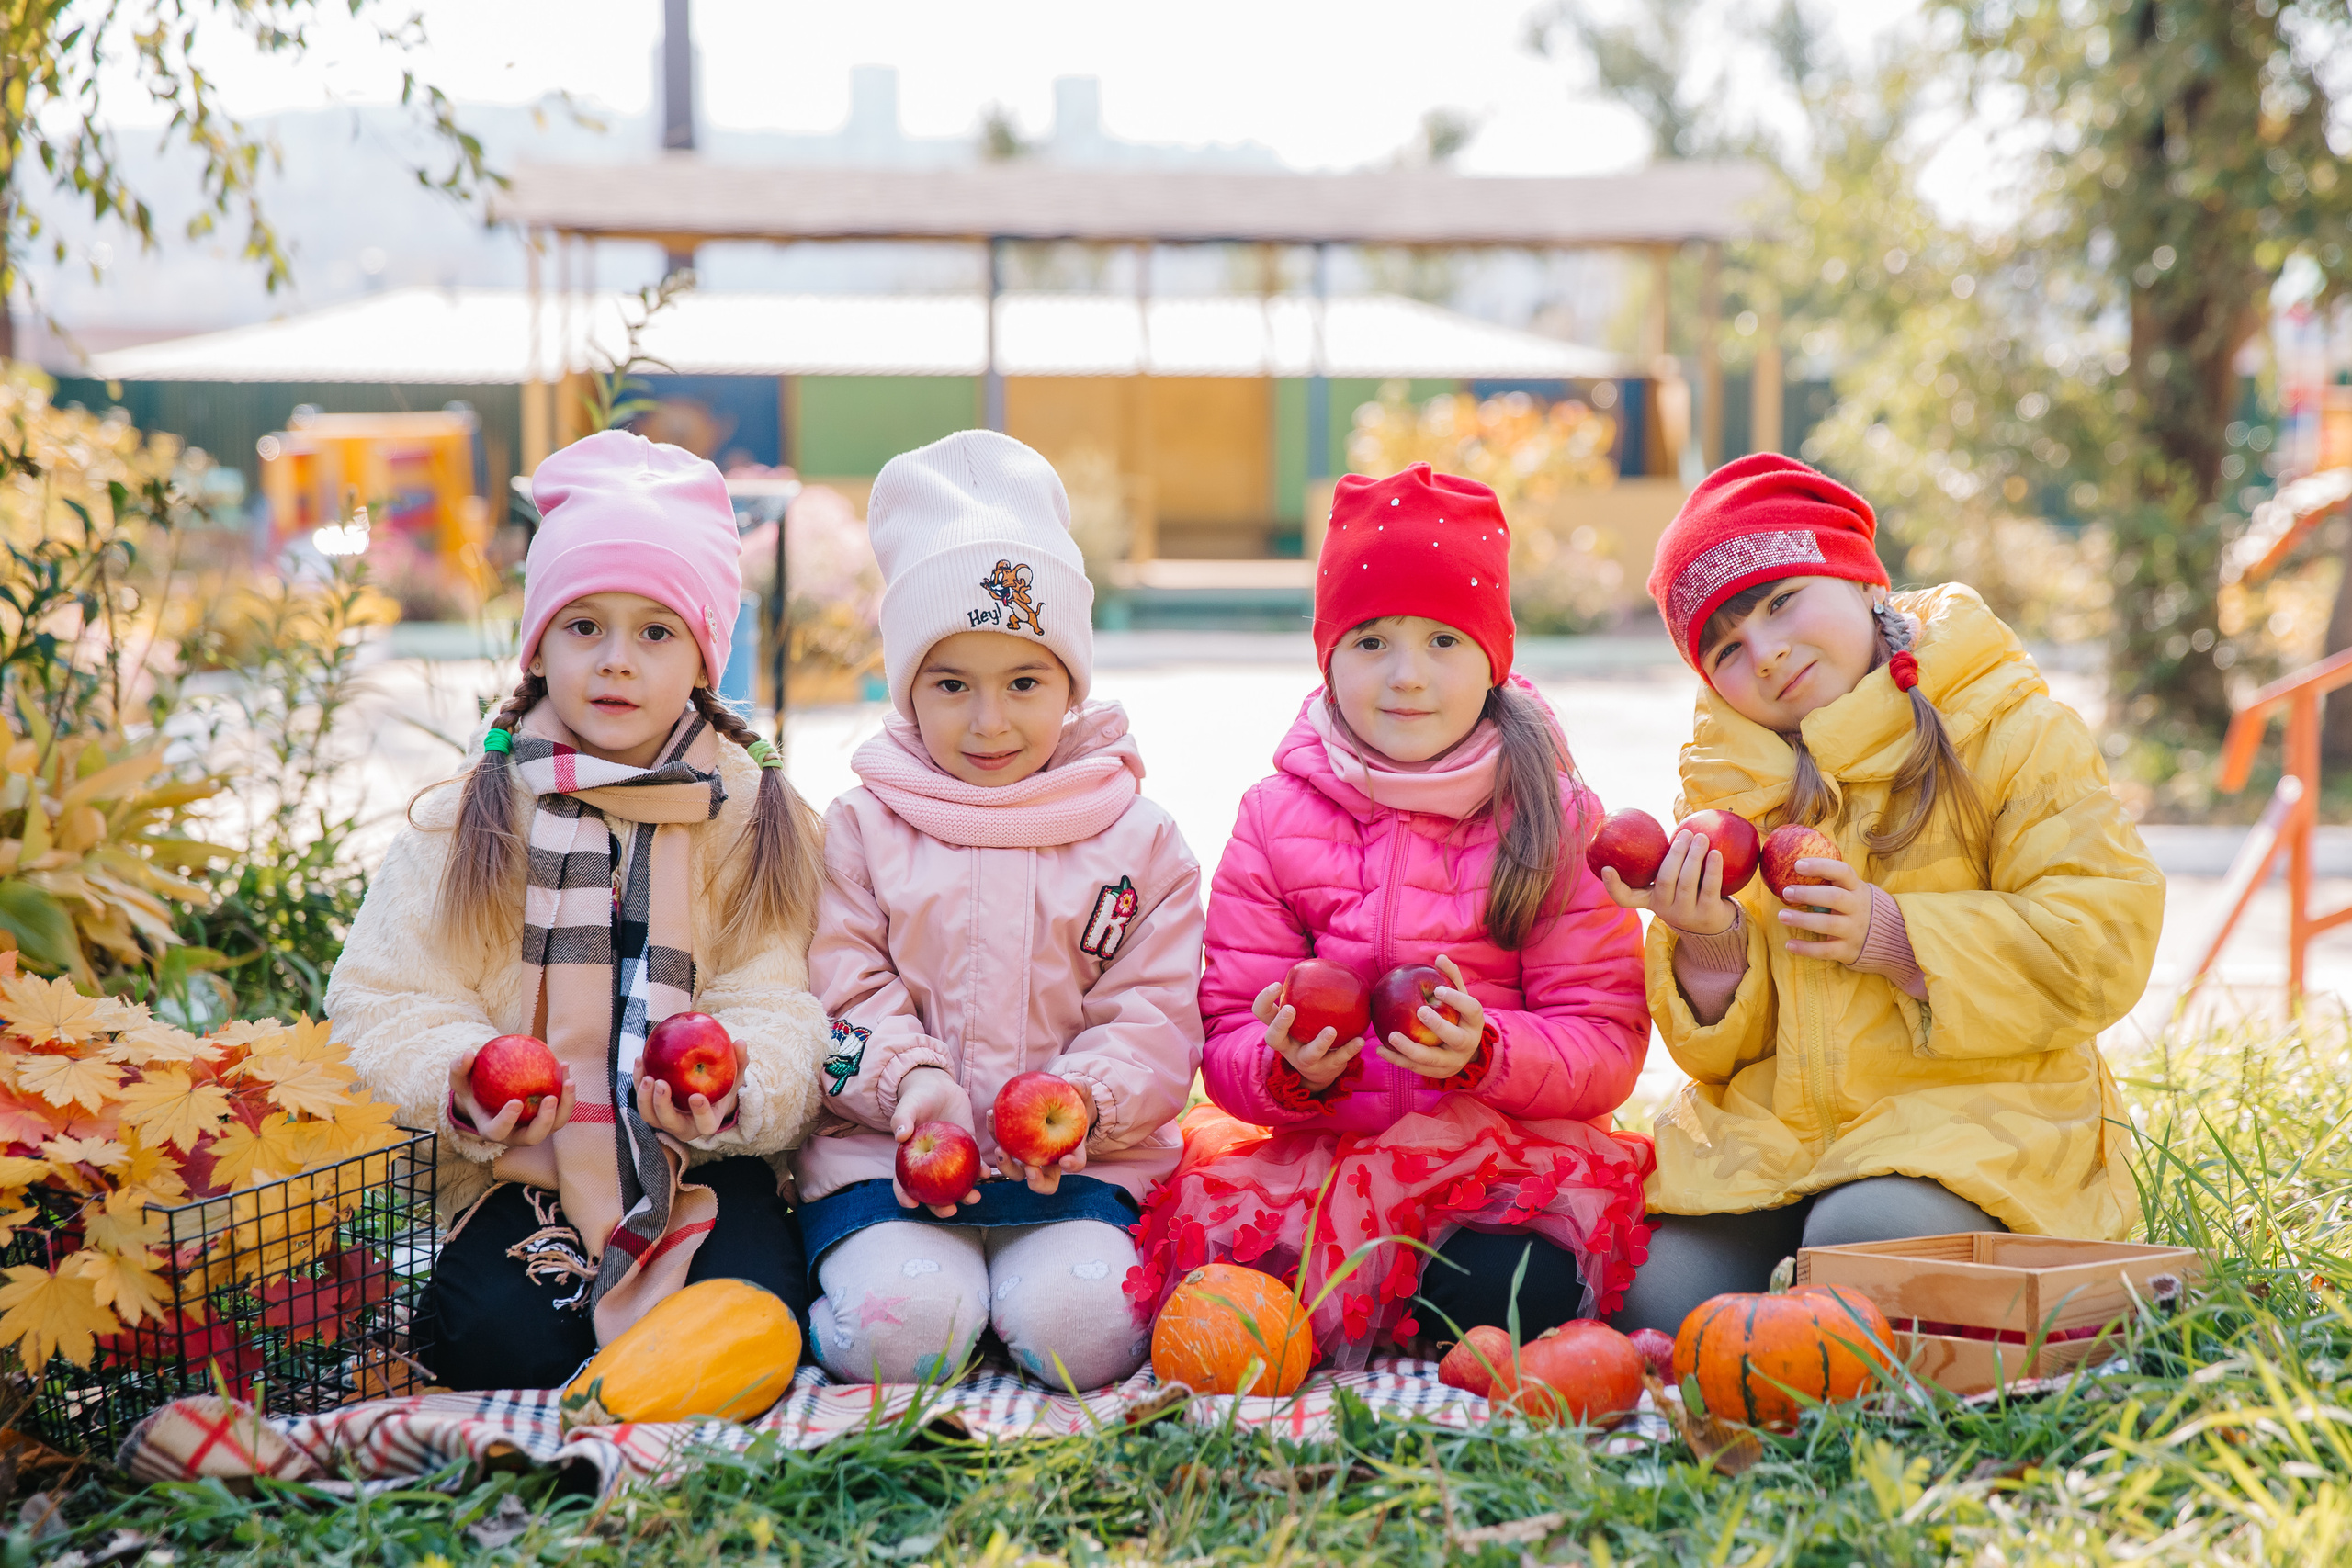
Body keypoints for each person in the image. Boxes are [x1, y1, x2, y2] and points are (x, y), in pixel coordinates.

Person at [1603, 453, 2165, 1335]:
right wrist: (1711, 942)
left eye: (1781, 602)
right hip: (1782, 1140)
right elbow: (1722, 1060)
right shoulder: (1732, 791)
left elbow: (2101, 938)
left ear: (1864, 580)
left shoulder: (2010, 731)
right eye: (1728, 648)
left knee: (1861, 1247)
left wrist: (1896, 935)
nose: (1767, 652)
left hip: (1977, 1128)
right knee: (1654, 1304)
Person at [327, 430, 831, 1392]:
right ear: (539, 647)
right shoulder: (472, 810)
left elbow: (783, 998)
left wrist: (737, 1083)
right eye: (584, 626)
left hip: (697, 1158)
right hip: (525, 1162)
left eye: (656, 633)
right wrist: (462, 1075)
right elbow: (381, 996)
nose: (616, 662)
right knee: (491, 1345)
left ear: (703, 655)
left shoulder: (749, 812)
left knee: (754, 1319)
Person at [1126, 463, 1655, 1368]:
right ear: (1328, 657)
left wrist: (1487, 1050)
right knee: (1235, 1272)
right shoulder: (1274, 817)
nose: (1407, 676)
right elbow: (1225, 1035)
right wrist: (1287, 1067)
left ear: (1492, 660)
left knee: (1512, 1289)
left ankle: (1424, 1306)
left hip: (1496, 1166)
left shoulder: (1554, 817)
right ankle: (1359, 1305)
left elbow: (1604, 1040)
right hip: (1324, 1160)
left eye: (1444, 640)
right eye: (1370, 640)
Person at [796, 430, 1203, 1392]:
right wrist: (908, 1084)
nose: (988, 722)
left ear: (1071, 682)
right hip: (888, 1162)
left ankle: (1016, 1300)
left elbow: (1154, 1016)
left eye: (1024, 682)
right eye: (951, 685)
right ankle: (923, 1300)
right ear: (907, 687)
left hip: (1084, 1168)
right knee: (899, 1339)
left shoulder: (1138, 840)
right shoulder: (861, 826)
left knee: (1085, 1336)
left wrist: (1086, 1103)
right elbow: (838, 992)